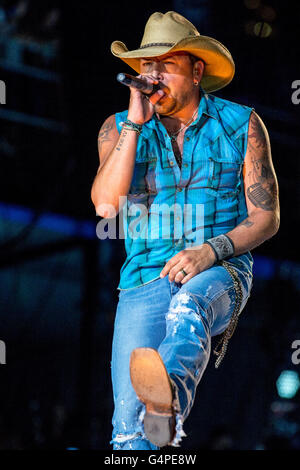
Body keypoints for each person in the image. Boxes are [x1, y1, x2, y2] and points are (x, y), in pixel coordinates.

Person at [91, 11, 280, 450]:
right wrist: (135, 124)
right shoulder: (117, 128)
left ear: (197, 70)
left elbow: (267, 217)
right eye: (146, 67)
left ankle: (170, 397)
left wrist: (211, 251)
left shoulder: (241, 124)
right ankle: (157, 425)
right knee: (129, 435)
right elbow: (105, 204)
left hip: (219, 268)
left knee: (189, 308)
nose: (153, 76)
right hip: (143, 280)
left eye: (167, 66)